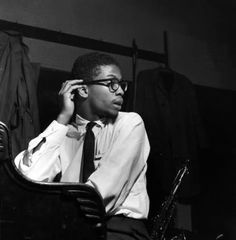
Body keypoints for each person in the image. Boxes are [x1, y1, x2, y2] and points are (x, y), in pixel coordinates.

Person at [14, 52, 151, 240]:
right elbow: (29, 179)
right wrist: (62, 119)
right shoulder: (63, 135)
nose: (120, 90)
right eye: (112, 83)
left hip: (118, 230)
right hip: (70, 227)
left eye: (121, 84)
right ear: (83, 90)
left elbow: (100, 195)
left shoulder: (129, 123)